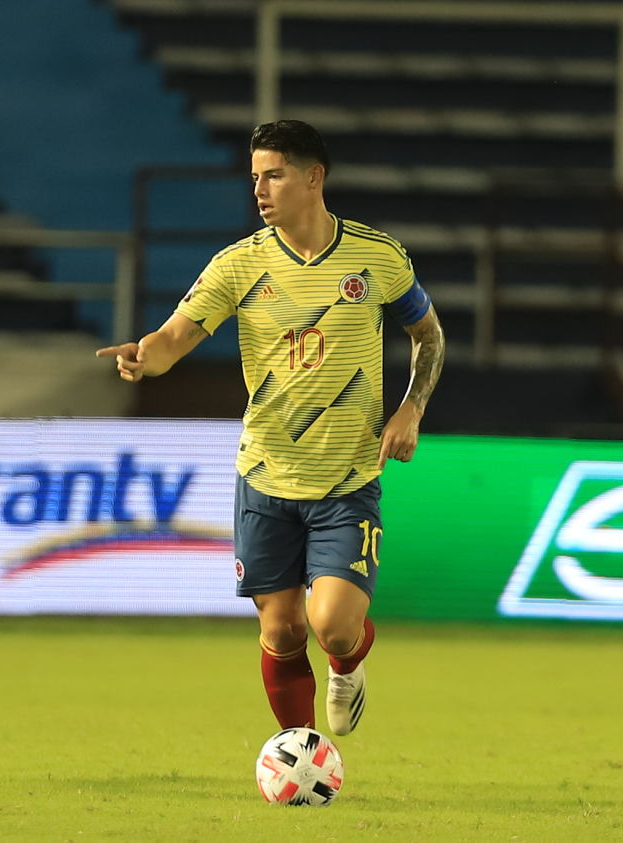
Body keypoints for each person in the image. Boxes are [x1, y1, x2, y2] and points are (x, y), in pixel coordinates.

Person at [97, 120, 444, 736]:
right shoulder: (237, 264)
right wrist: (145, 354)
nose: (259, 189)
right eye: (255, 177)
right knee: (281, 631)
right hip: (265, 477)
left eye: (274, 175)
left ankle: (347, 662)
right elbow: (175, 338)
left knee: (332, 624)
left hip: (346, 480)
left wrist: (412, 407)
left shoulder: (376, 257)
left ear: (314, 178)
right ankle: (302, 751)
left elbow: (429, 334)